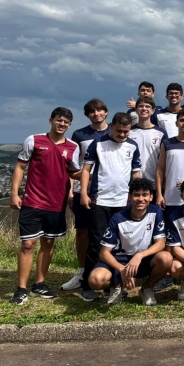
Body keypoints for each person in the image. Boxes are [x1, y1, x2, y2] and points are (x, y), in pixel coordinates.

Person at [9, 107, 81, 304]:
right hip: (33, 201)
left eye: (66, 122)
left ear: (70, 125)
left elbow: (74, 172)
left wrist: (94, 174)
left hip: (56, 204)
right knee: (28, 244)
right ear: (51, 120)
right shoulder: (34, 140)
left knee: (48, 243)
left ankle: (40, 284)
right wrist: (14, 193)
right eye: (59, 120)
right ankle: (21, 288)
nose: (62, 124)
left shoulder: (73, 147)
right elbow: (20, 166)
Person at [79, 112, 142, 301]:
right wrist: (84, 193)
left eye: (126, 132)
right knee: (96, 243)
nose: (122, 135)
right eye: (119, 131)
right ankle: (86, 285)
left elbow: (136, 173)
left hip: (123, 202)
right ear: (111, 126)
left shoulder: (133, 145)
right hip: (100, 201)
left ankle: (113, 284)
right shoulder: (98, 143)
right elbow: (86, 170)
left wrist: (136, 196)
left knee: (119, 245)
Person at [87, 178, 171, 306]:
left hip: (142, 260)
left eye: (145, 195)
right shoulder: (118, 218)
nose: (141, 199)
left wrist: (139, 255)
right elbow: (104, 253)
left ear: (151, 197)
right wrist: (122, 270)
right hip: (120, 260)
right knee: (95, 280)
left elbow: (161, 243)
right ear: (130, 197)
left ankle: (147, 288)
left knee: (166, 258)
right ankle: (116, 285)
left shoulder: (156, 212)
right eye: (136, 195)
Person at [64, 98, 109, 292]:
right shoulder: (79, 134)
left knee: (108, 232)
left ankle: (106, 270)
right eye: (92, 111)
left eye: (99, 110)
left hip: (108, 191)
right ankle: (82, 271)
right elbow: (72, 165)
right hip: (82, 190)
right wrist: (70, 191)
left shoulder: (115, 131)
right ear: (87, 115)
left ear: (106, 112)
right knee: (82, 231)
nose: (96, 114)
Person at [128, 96, 167, 182]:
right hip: (133, 181)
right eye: (141, 106)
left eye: (147, 106)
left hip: (154, 181)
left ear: (153, 111)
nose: (144, 109)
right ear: (136, 109)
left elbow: (165, 159)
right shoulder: (129, 132)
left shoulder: (161, 133)